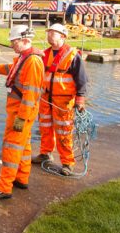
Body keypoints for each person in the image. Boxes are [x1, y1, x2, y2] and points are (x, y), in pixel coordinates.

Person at [0, 25, 44, 200]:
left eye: (14, 42)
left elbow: (30, 95)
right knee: (23, 146)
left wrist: (21, 119)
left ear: (25, 40)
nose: (11, 45)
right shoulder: (25, 58)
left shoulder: (32, 62)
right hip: (18, 112)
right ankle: (21, 178)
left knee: (11, 147)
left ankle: (4, 187)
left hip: (20, 114)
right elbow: (12, 69)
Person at [31, 23, 88, 176]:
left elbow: (81, 79)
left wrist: (80, 100)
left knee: (64, 131)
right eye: (48, 32)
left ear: (62, 36)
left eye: (52, 33)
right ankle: (45, 153)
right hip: (45, 99)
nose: (49, 35)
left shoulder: (72, 55)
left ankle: (67, 162)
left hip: (63, 101)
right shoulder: (45, 54)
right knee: (45, 127)